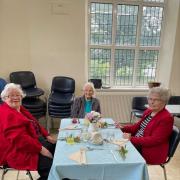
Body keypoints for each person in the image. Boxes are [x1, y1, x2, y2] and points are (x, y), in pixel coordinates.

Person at [0, 83, 56, 180]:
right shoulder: (6, 113)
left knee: (58, 148)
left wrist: (46, 135)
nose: (15, 98)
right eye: (11, 95)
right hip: (18, 151)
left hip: (34, 141)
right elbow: (20, 140)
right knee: (51, 168)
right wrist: (41, 149)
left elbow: (34, 123)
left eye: (18, 95)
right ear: (5, 98)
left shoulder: (18, 108)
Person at [115, 87, 174, 164]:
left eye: (156, 100)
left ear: (164, 101)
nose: (151, 102)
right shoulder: (149, 111)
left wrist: (131, 139)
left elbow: (154, 140)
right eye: (150, 99)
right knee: (114, 143)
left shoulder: (166, 118)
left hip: (150, 150)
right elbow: (136, 127)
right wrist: (123, 127)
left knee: (117, 152)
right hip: (138, 142)